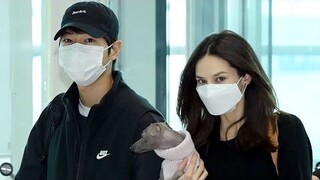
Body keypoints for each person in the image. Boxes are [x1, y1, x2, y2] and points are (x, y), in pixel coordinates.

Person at [15, 1, 166, 180]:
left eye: (89, 40)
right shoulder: (55, 115)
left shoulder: (142, 122)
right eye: (68, 41)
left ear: (114, 50)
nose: (77, 49)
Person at [176, 30, 313, 179]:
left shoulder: (285, 129)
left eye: (220, 79)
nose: (210, 89)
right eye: (202, 81)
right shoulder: (197, 139)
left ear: (246, 78)